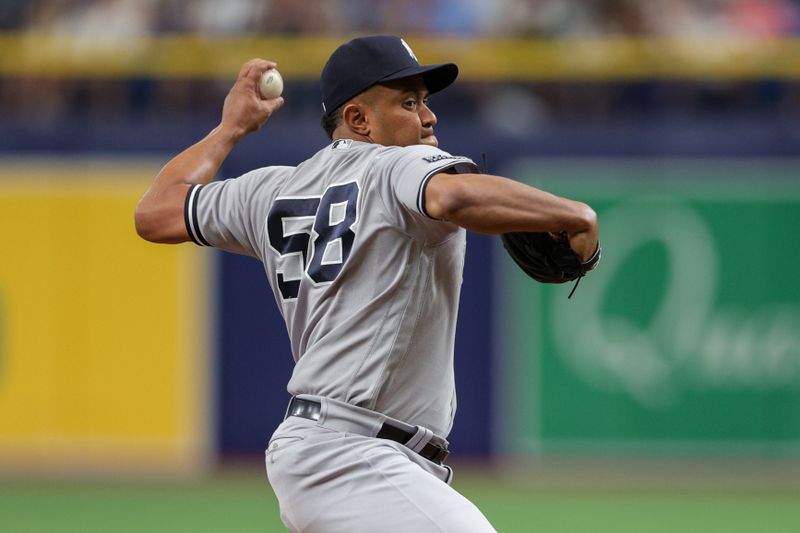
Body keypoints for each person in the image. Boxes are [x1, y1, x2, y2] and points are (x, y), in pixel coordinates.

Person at [135, 35, 598, 533]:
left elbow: (156, 213)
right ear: (359, 120)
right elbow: (453, 197)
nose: (429, 118)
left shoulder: (270, 188)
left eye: (425, 101)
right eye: (409, 102)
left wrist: (230, 129)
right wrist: (576, 214)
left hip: (330, 455)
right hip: (354, 455)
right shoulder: (399, 163)